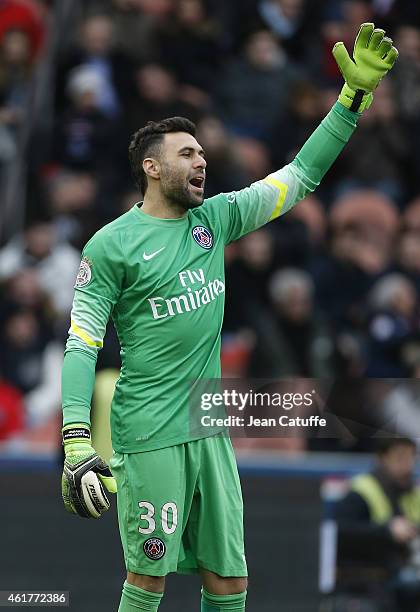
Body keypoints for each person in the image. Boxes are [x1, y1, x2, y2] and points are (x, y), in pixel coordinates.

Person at [60, 23, 398, 612]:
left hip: (209, 430)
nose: (202, 160)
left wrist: (348, 103)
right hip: (148, 434)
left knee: (230, 583)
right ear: (152, 168)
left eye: (202, 152)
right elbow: (82, 344)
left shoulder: (213, 221)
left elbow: (300, 177)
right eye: (186, 153)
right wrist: (74, 439)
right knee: (147, 583)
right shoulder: (109, 247)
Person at [334, 438, 420, 612]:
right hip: (375, 577)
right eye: (400, 458)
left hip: (416, 567)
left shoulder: (415, 491)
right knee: (409, 581)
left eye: (411, 458)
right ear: (381, 459)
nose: (407, 465)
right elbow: (341, 533)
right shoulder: (361, 490)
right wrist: (387, 531)